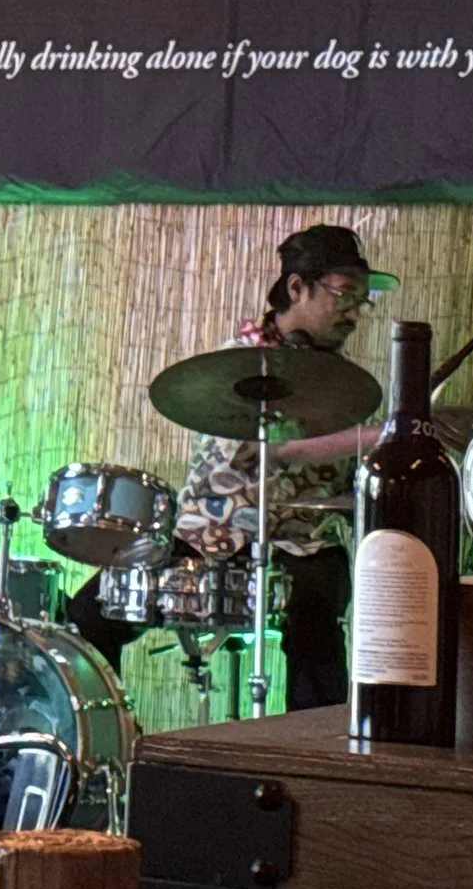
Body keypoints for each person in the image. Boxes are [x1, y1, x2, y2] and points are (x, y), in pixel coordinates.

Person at [68, 224, 393, 713]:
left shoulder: (346, 385)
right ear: (297, 287)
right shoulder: (239, 364)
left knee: (320, 615)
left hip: (301, 542)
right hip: (209, 531)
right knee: (89, 614)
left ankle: (319, 755)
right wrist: (376, 436)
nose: (354, 312)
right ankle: (102, 734)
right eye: (343, 295)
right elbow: (275, 447)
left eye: (362, 300)